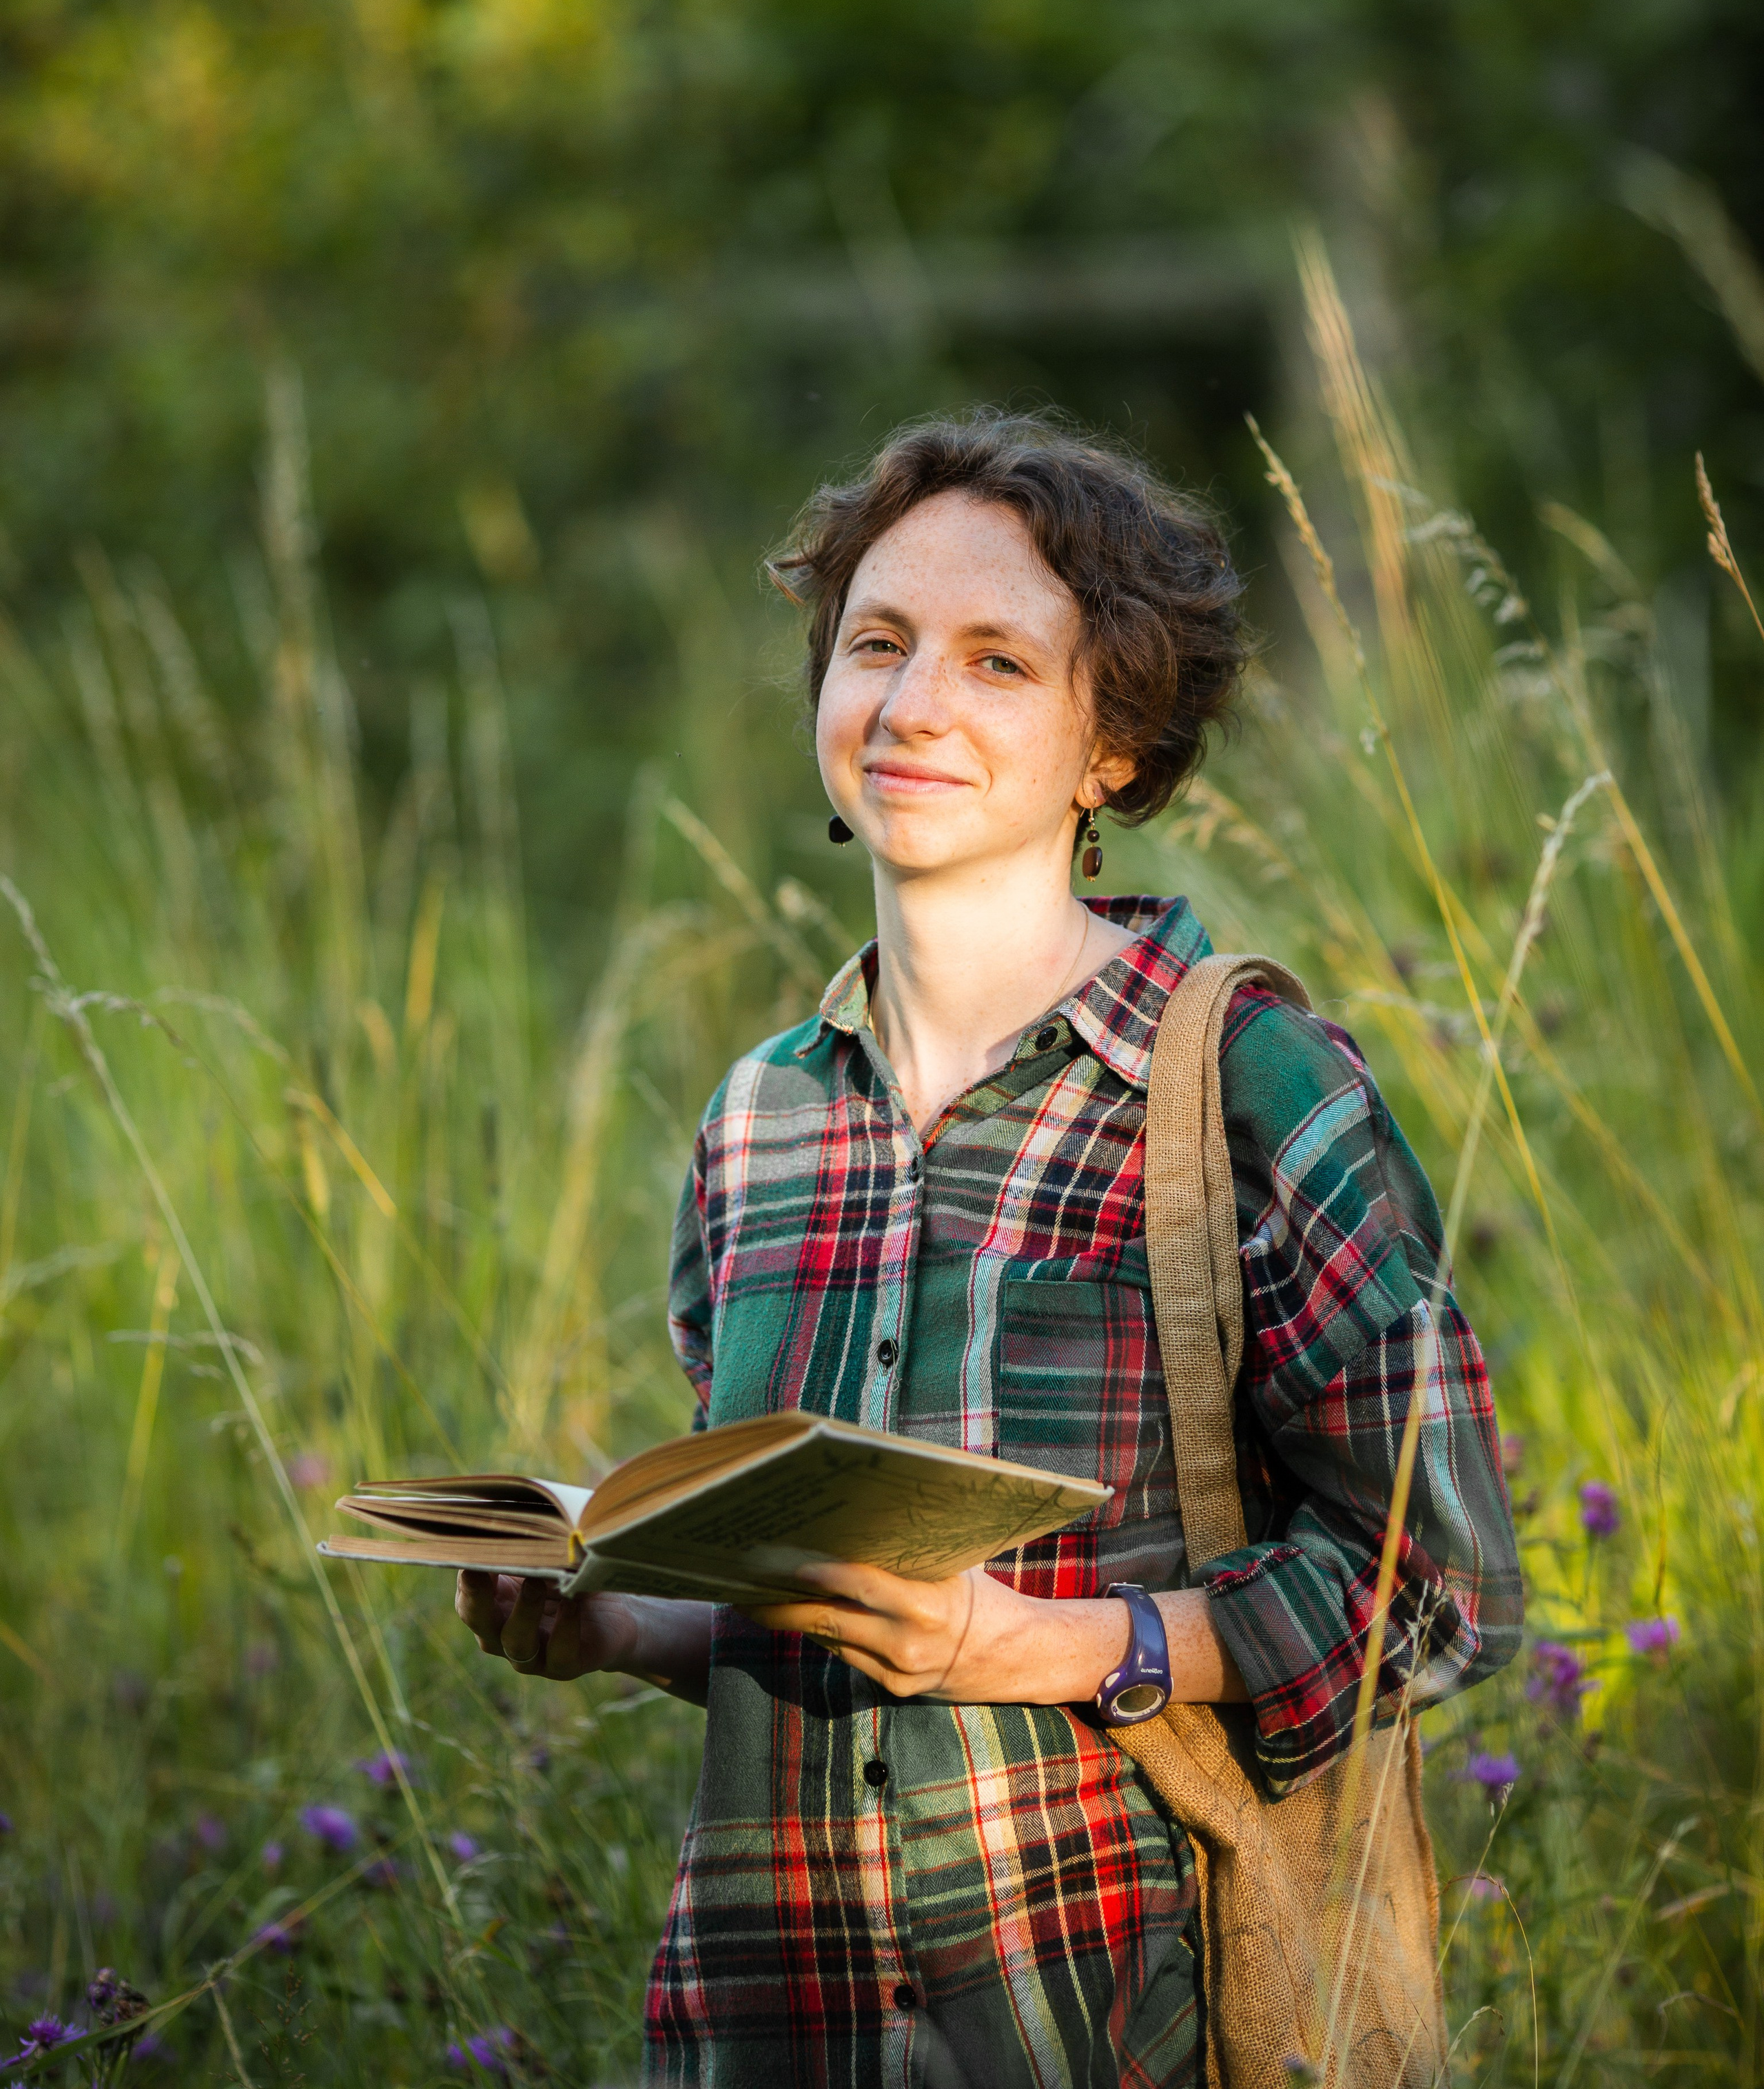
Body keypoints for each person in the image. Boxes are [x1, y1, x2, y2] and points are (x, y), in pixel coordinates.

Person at [458, 412, 1523, 2088]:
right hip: (769, 2021)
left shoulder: (1242, 1084)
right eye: (873, 645)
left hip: (1111, 2010)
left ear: (1113, 744)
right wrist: (620, 1629)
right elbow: (805, 1610)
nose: (911, 705)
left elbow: (1440, 1587)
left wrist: (1057, 1650)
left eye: (997, 663)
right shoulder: (758, 1123)